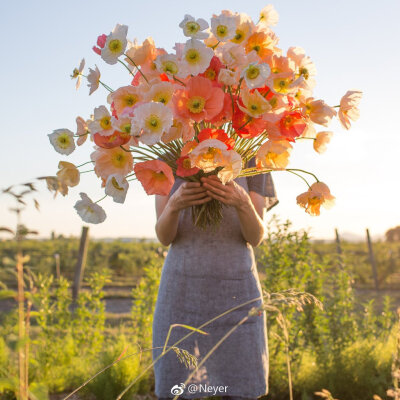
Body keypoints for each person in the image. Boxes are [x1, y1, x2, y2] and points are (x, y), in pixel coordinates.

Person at [152, 156, 278, 400]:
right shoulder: (169, 151)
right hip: (181, 292)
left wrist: (242, 202)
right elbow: (164, 236)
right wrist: (174, 204)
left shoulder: (253, 154)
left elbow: (256, 237)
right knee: (177, 387)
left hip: (237, 294)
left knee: (241, 389)